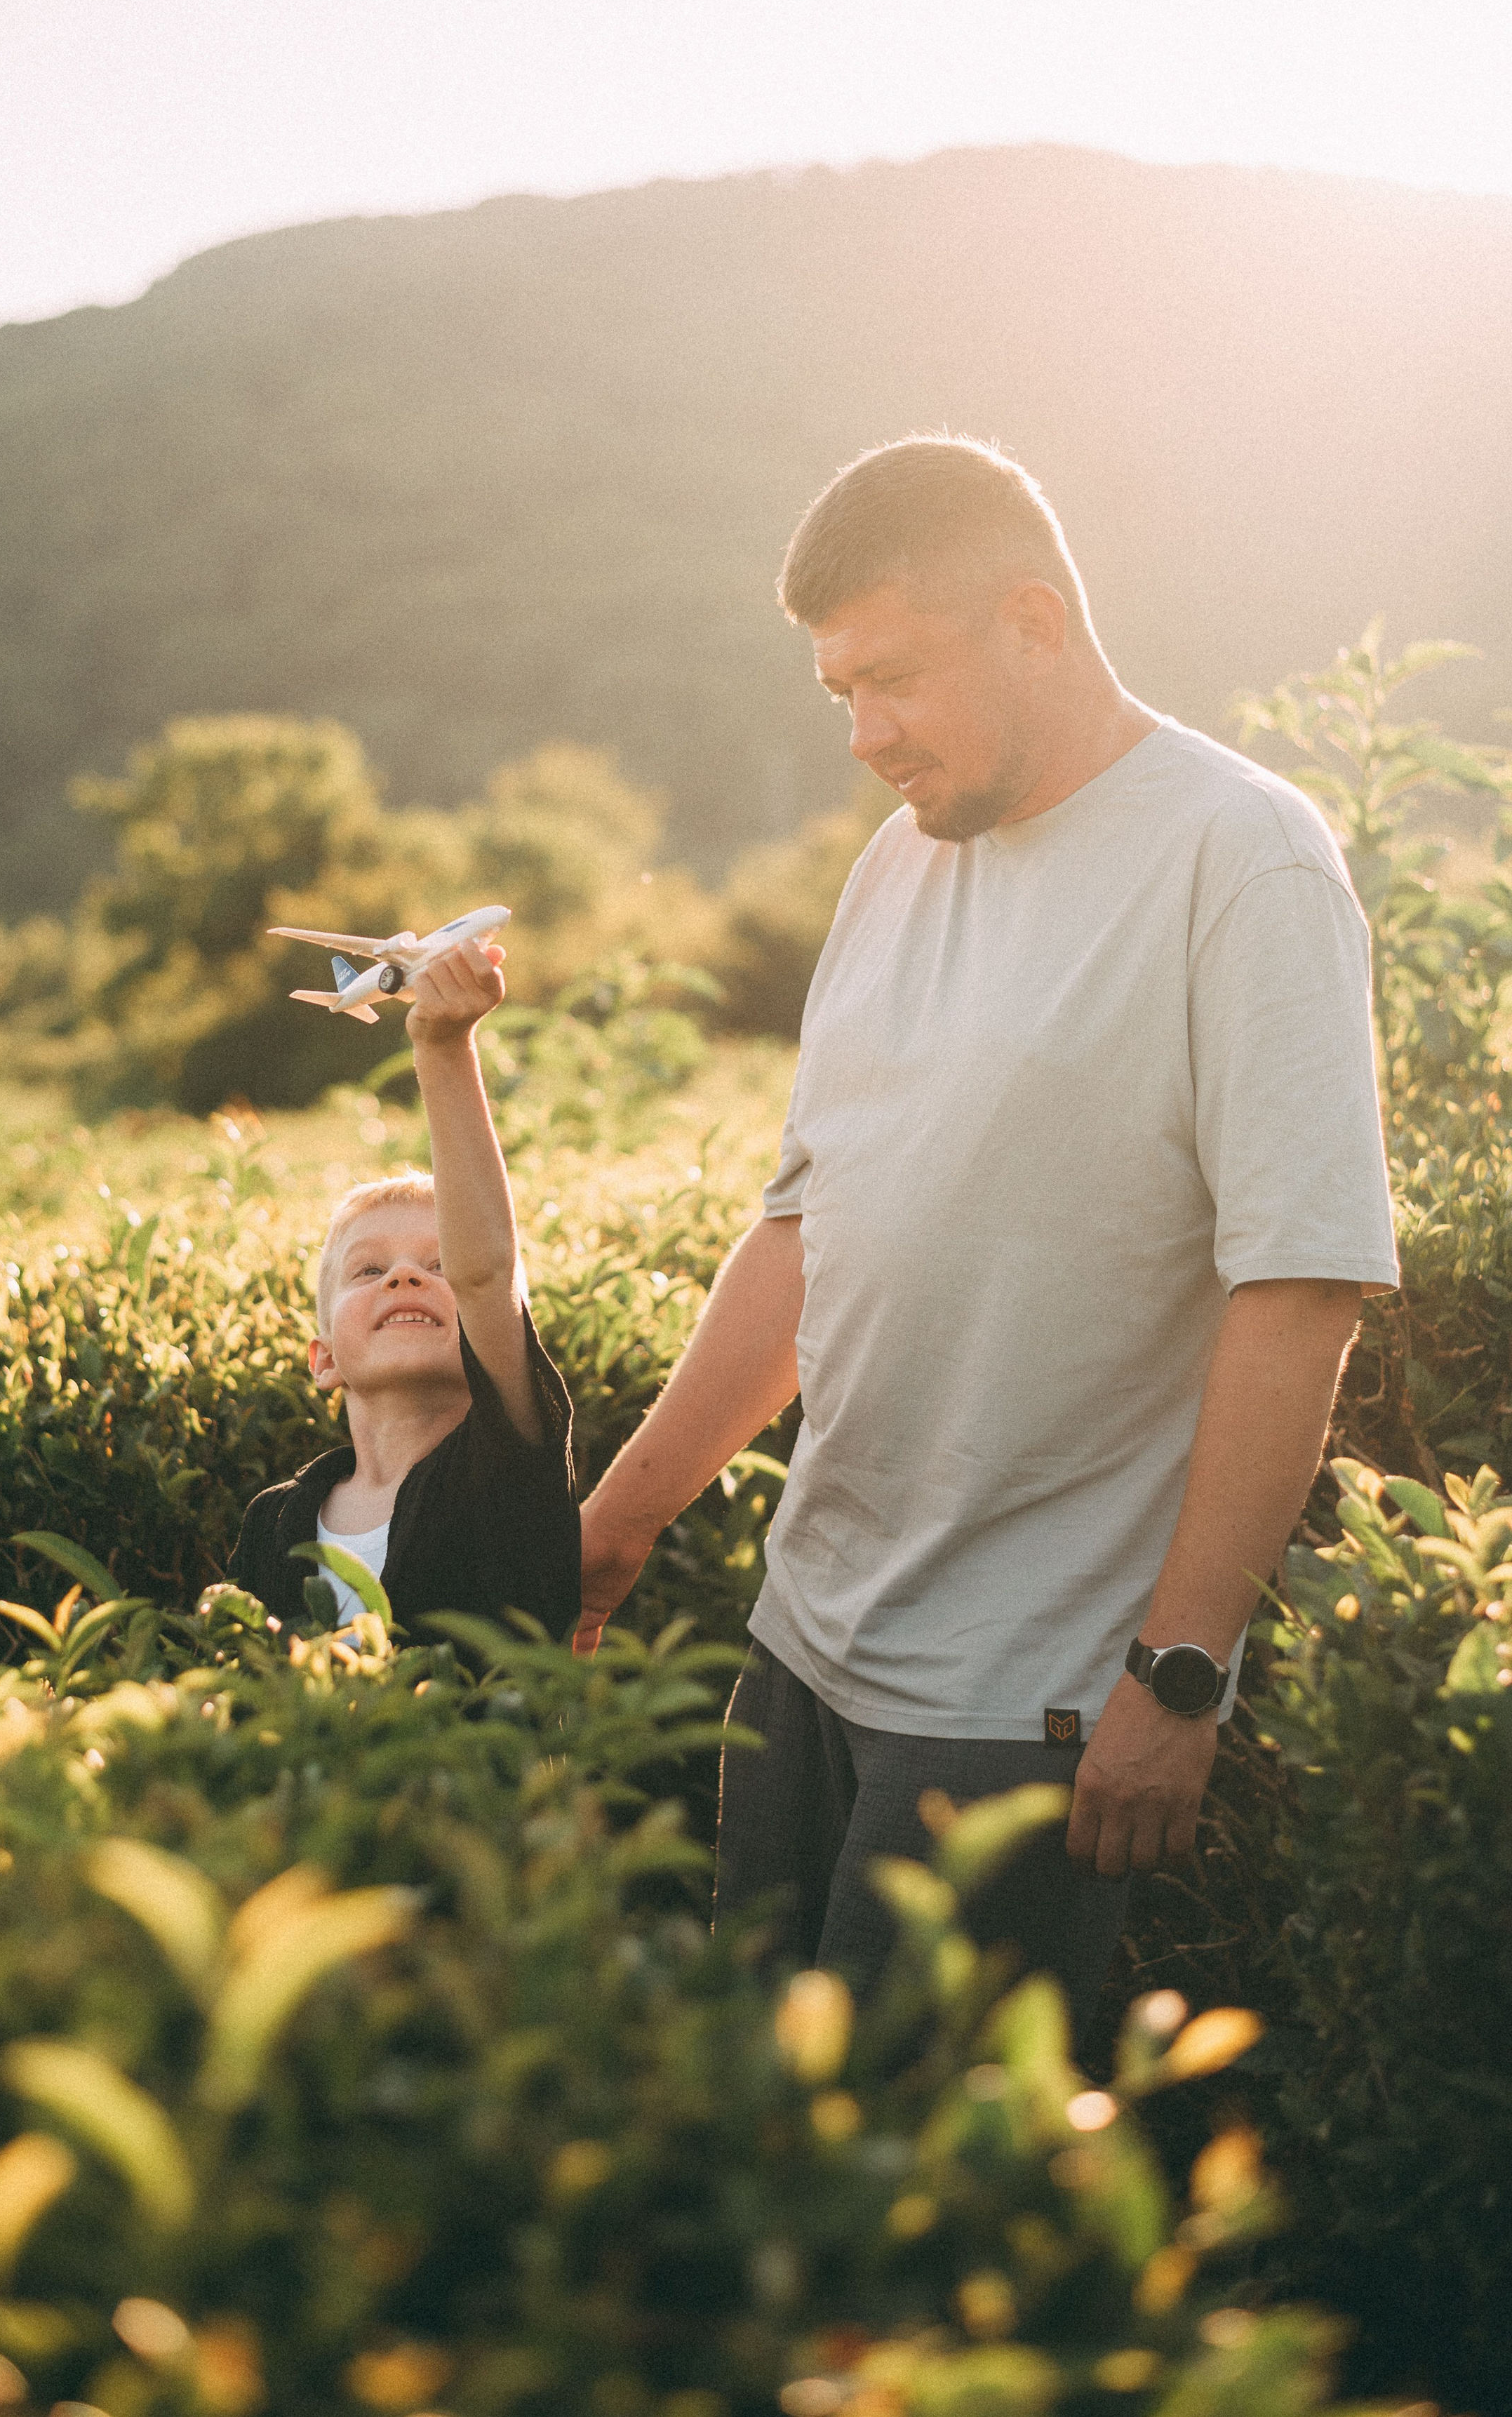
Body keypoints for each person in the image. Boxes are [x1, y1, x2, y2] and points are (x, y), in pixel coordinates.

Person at [575, 434, 1398, 2033]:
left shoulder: (1240, 855)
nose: (862, 733)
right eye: (839, 693)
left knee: (916, 2163)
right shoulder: (897, 861)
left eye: (892, 677)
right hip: (800, 1641)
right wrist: (618, 1516)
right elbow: (804, 1222)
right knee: (761, 2115)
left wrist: (1178, 1675)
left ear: (1033, 621)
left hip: (1020, 1703)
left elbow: (1299, 1292)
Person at [234, 931, 579, 1644]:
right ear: (324, 1358)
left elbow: (487, 1273)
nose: (405, 1275)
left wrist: (443, 1048)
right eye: (369, 1270)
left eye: (438, 1264)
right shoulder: (273, 1522)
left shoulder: (505, 1468)